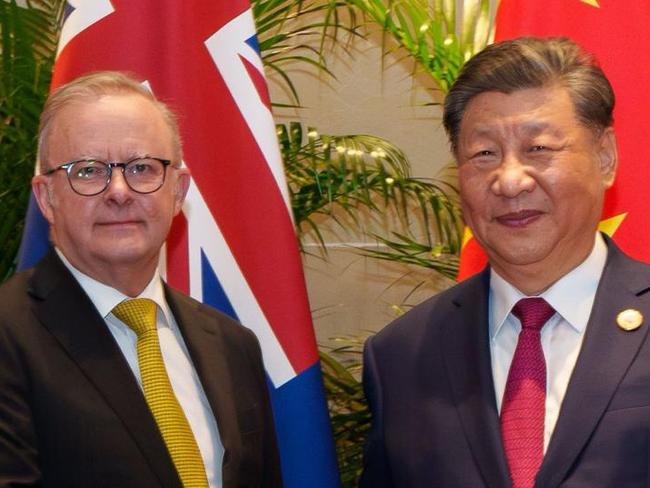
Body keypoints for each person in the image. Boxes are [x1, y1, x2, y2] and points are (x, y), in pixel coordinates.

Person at [361, 37, 650, 488]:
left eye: (538, 148)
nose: (510, 181)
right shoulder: (400, 355)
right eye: (484, 155)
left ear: (605, 157)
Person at [0, 71, 282, 487]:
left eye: (142, 168)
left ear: (178, 190)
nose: (119, 191)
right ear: (47, 198)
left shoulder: (232, 344)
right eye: (88, 171)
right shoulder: (9, 334)